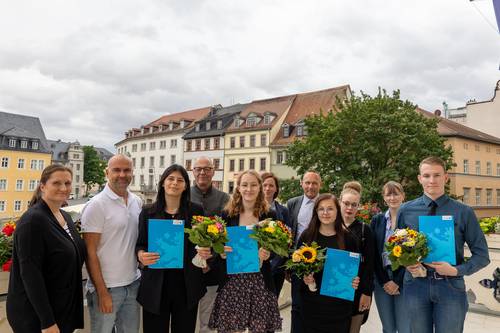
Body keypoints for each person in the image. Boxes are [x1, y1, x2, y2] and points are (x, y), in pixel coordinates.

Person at [398, 156, 490, 333]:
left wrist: (456, 270)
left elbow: (482, 256)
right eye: (426, 176)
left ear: (446, 177)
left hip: (450, 286)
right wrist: (405, 262)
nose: (431, 180)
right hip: (415, 285)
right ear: (419, 178)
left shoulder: (464, 211)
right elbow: (392, 250)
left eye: (437, 175)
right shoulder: (406, 210)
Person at [7, 164, 86, 333]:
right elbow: (30, 275)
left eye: (67, 183)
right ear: (43, 186)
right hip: (36, 316)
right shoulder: (32, 221)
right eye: (56, 183)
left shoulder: (64, 215)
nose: (63, 188)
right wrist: (47, 322)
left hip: (61, 308)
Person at [209, 170, 282, 333]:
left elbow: (278, 248)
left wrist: (268, 254)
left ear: (260, 188)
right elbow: (216, 246)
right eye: (245, 185)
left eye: (253, 185)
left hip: (260, 281)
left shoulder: (270, 215)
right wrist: (221, 252)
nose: (249, 189)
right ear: (238, 189)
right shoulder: (226, 215)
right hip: (233, 282)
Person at [136, 164, 206, 332]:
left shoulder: (196, 211)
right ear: (162, 183)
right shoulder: (147, 212)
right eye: (171, 179)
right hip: (156, 286)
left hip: (186, 285)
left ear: (186, 186)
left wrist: (205, 251)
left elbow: (203, 242)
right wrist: (141, 255)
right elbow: (140, 243)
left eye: (180, 180)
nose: (175, 183)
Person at [81, 154, 142, 333]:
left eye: (127, 170)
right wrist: (102, 292)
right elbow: (89, 252)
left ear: (132, 173)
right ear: (107, 172)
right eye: (116, 170)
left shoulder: (136, 201)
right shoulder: (96, 205)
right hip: (107, 287)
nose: (122, 175)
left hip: (133, 283)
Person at [299, 193, 361, 333]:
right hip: (312, 305)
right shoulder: (307, 236)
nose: (325, 213)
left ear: (337, 211)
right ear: (316, 212)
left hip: (339, 306)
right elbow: (294, 268)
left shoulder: (349, 238)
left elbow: (356, 272)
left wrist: (355, 280)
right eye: (321, 209)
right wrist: (304, 277)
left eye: (330, 209)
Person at [190, 156, 230, 333]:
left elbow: (226, 234)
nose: (202, 172)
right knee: (185, 321)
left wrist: (209, 262)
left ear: (213, 171)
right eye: (198, 168)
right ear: (193, 171)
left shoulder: (224, 199)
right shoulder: (184, 195)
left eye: (206, 169)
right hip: (187, 269)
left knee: (208, 324)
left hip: (213, 271)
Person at [370, 181, 409, 333]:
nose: (392, 197)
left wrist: (397, 281)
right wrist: (385, 280)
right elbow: (373, 253)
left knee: (404, 327)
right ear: (384, 198)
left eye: (396, 193)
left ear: (403, 196)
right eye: (389, 194)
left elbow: (413, 254)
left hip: (404, 280)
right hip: (382, 279)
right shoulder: (377, 220)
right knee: (388, 327)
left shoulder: (410, 220)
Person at [287, 171, 322, 333]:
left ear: (320, 185)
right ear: (301, 183)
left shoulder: (326, 203)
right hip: (297, 262)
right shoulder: (292, 203)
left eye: (314, 183)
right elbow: (289, 233)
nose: (310, 186)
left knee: (317, 306)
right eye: (307, 182)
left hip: (321, 262)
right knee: (297, 305)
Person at [339, 181, 374, 333]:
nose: (349, 208)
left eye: (354, 205)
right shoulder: (328, 226)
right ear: (339, 202)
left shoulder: (365, 230)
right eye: (346, 203)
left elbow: (370, 265)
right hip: (333, 289)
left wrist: (367, 293)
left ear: (358, 206)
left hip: (357, 290)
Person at [261, 171, 291, 297]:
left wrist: (276, 263)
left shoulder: (283, 211)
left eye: (271, 185)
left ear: (276, 189)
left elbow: (287, 239)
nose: (267, 189)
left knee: (272, 304)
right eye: (264, 185)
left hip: (277, 267)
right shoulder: (252, 210)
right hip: (258, 265)